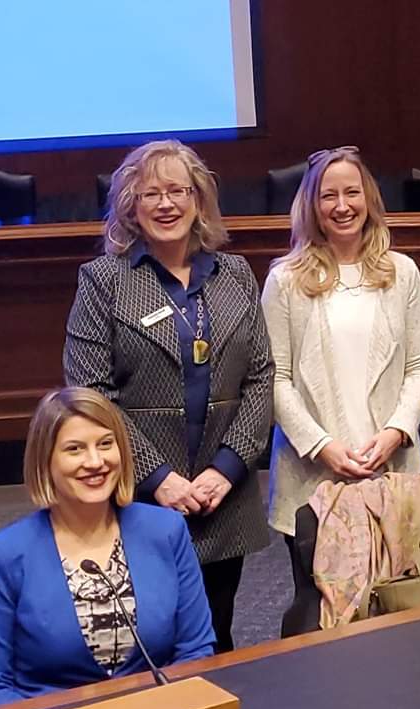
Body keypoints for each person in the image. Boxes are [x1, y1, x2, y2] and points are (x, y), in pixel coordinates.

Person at [64, 140, 272, 652]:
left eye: (177, 190)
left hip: (224, 497)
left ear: (198, 199)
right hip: (141, 498)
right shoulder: (104, 282)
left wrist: (226, 470)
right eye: (150, 193)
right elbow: (92, 394)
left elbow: (262, 377)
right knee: (148, 639)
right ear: (130, 207)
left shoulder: (236, 274)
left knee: (217, 634)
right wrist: (159, 480)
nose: (166, 204)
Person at [0, 388, 215, 709]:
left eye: (106, 444)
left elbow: (196, 653)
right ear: (45, 462)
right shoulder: (5, 555)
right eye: (75, 449)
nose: (95, 462)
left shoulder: (166, 531)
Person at [261, 145, 420, 543]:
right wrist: (323, 446)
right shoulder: (285, 281)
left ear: (368, 198)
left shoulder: (402, 272)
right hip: (313, 476)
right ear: (312, 205)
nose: (342, 206)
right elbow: (274, 378)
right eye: (328, 195)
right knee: (318, 601)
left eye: (352, 193)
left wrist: (396, 431)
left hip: (391, 469)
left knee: (400, 599)